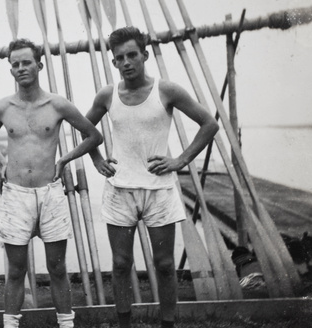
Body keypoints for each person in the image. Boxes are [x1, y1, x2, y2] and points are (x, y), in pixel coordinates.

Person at [84, 27, 219, 328]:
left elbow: (209, 124)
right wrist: (96, 159)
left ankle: (167, 324)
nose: (127, 62)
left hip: (158, 189)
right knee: (120, 265)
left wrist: (180, 160)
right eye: (120, 58)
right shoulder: (108, 95)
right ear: (114, 62)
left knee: (165, 265)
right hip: (120, 190)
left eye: (133, 55)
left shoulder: (166, 90)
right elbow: (85, 127)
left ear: (145, 55)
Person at [0, 38, 103, 328]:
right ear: (10, 69)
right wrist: (2, 162)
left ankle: (66, 324)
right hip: (15, 194)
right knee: (16, 270)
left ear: (39, 65)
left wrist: (65, 159)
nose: (21, 68)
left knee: (57, 268)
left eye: (26, 62)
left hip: (50, 193)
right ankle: (11, 325)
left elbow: (93, 136)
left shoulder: (57, 104)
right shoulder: (2, 108)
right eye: (15, 64)